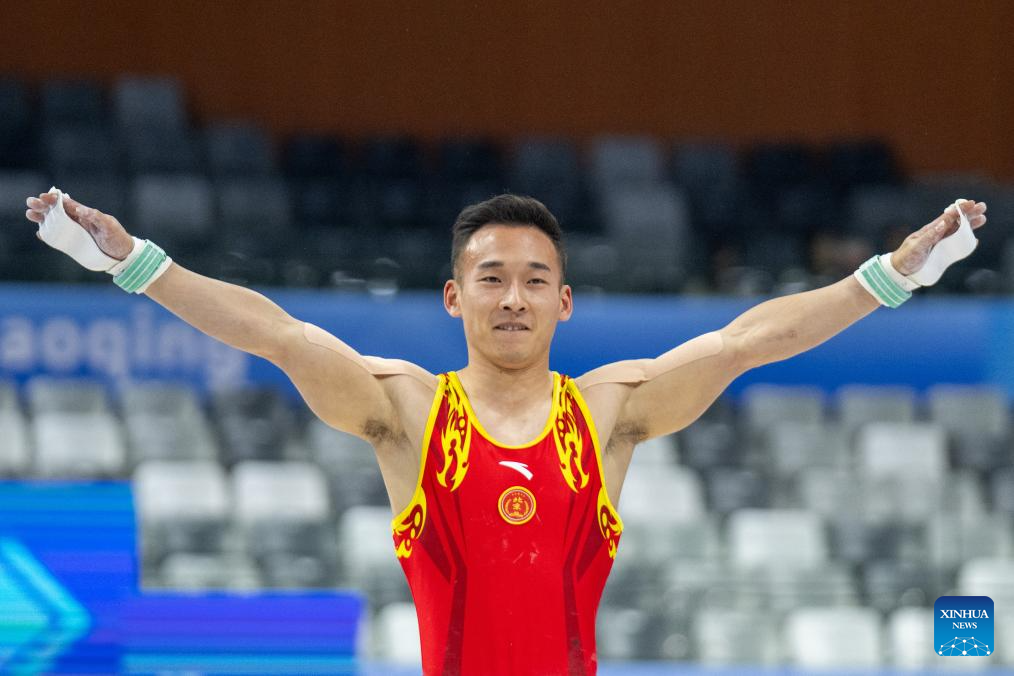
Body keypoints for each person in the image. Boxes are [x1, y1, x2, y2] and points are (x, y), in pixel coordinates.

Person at [24, 189, 987, 675]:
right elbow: (277, 334)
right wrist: (134, 263)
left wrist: (893, 275)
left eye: (534, 281)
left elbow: (747, 341)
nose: (513, 298)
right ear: (453, 298)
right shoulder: (405, 411)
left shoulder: (609, 413)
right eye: (491, 277)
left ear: (565, 303)